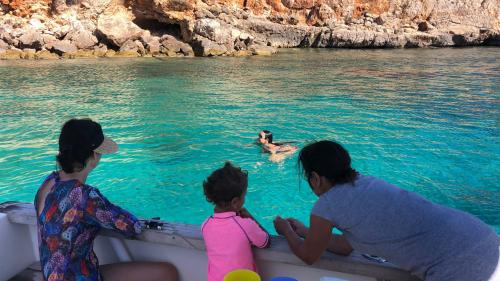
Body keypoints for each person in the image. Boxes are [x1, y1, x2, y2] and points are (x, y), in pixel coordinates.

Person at [273, 140, 499, 281]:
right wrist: (304, 231)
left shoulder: (327, 204)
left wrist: (287, 232)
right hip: (484, 238)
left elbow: (309, 256)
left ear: (315, 178)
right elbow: (344, 246)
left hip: (459, 267)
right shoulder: (367, 182)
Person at [34, 118, 178, 281]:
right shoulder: (85, 196)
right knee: (167, 272)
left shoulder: (47, 183)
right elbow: (131, 227)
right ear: (94, 155)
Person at [201, 162, 270, 281]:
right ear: (235, 202)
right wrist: (251, 218)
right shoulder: (245, 225)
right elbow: (265, 242)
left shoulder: (205, 225)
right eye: (244, 196)